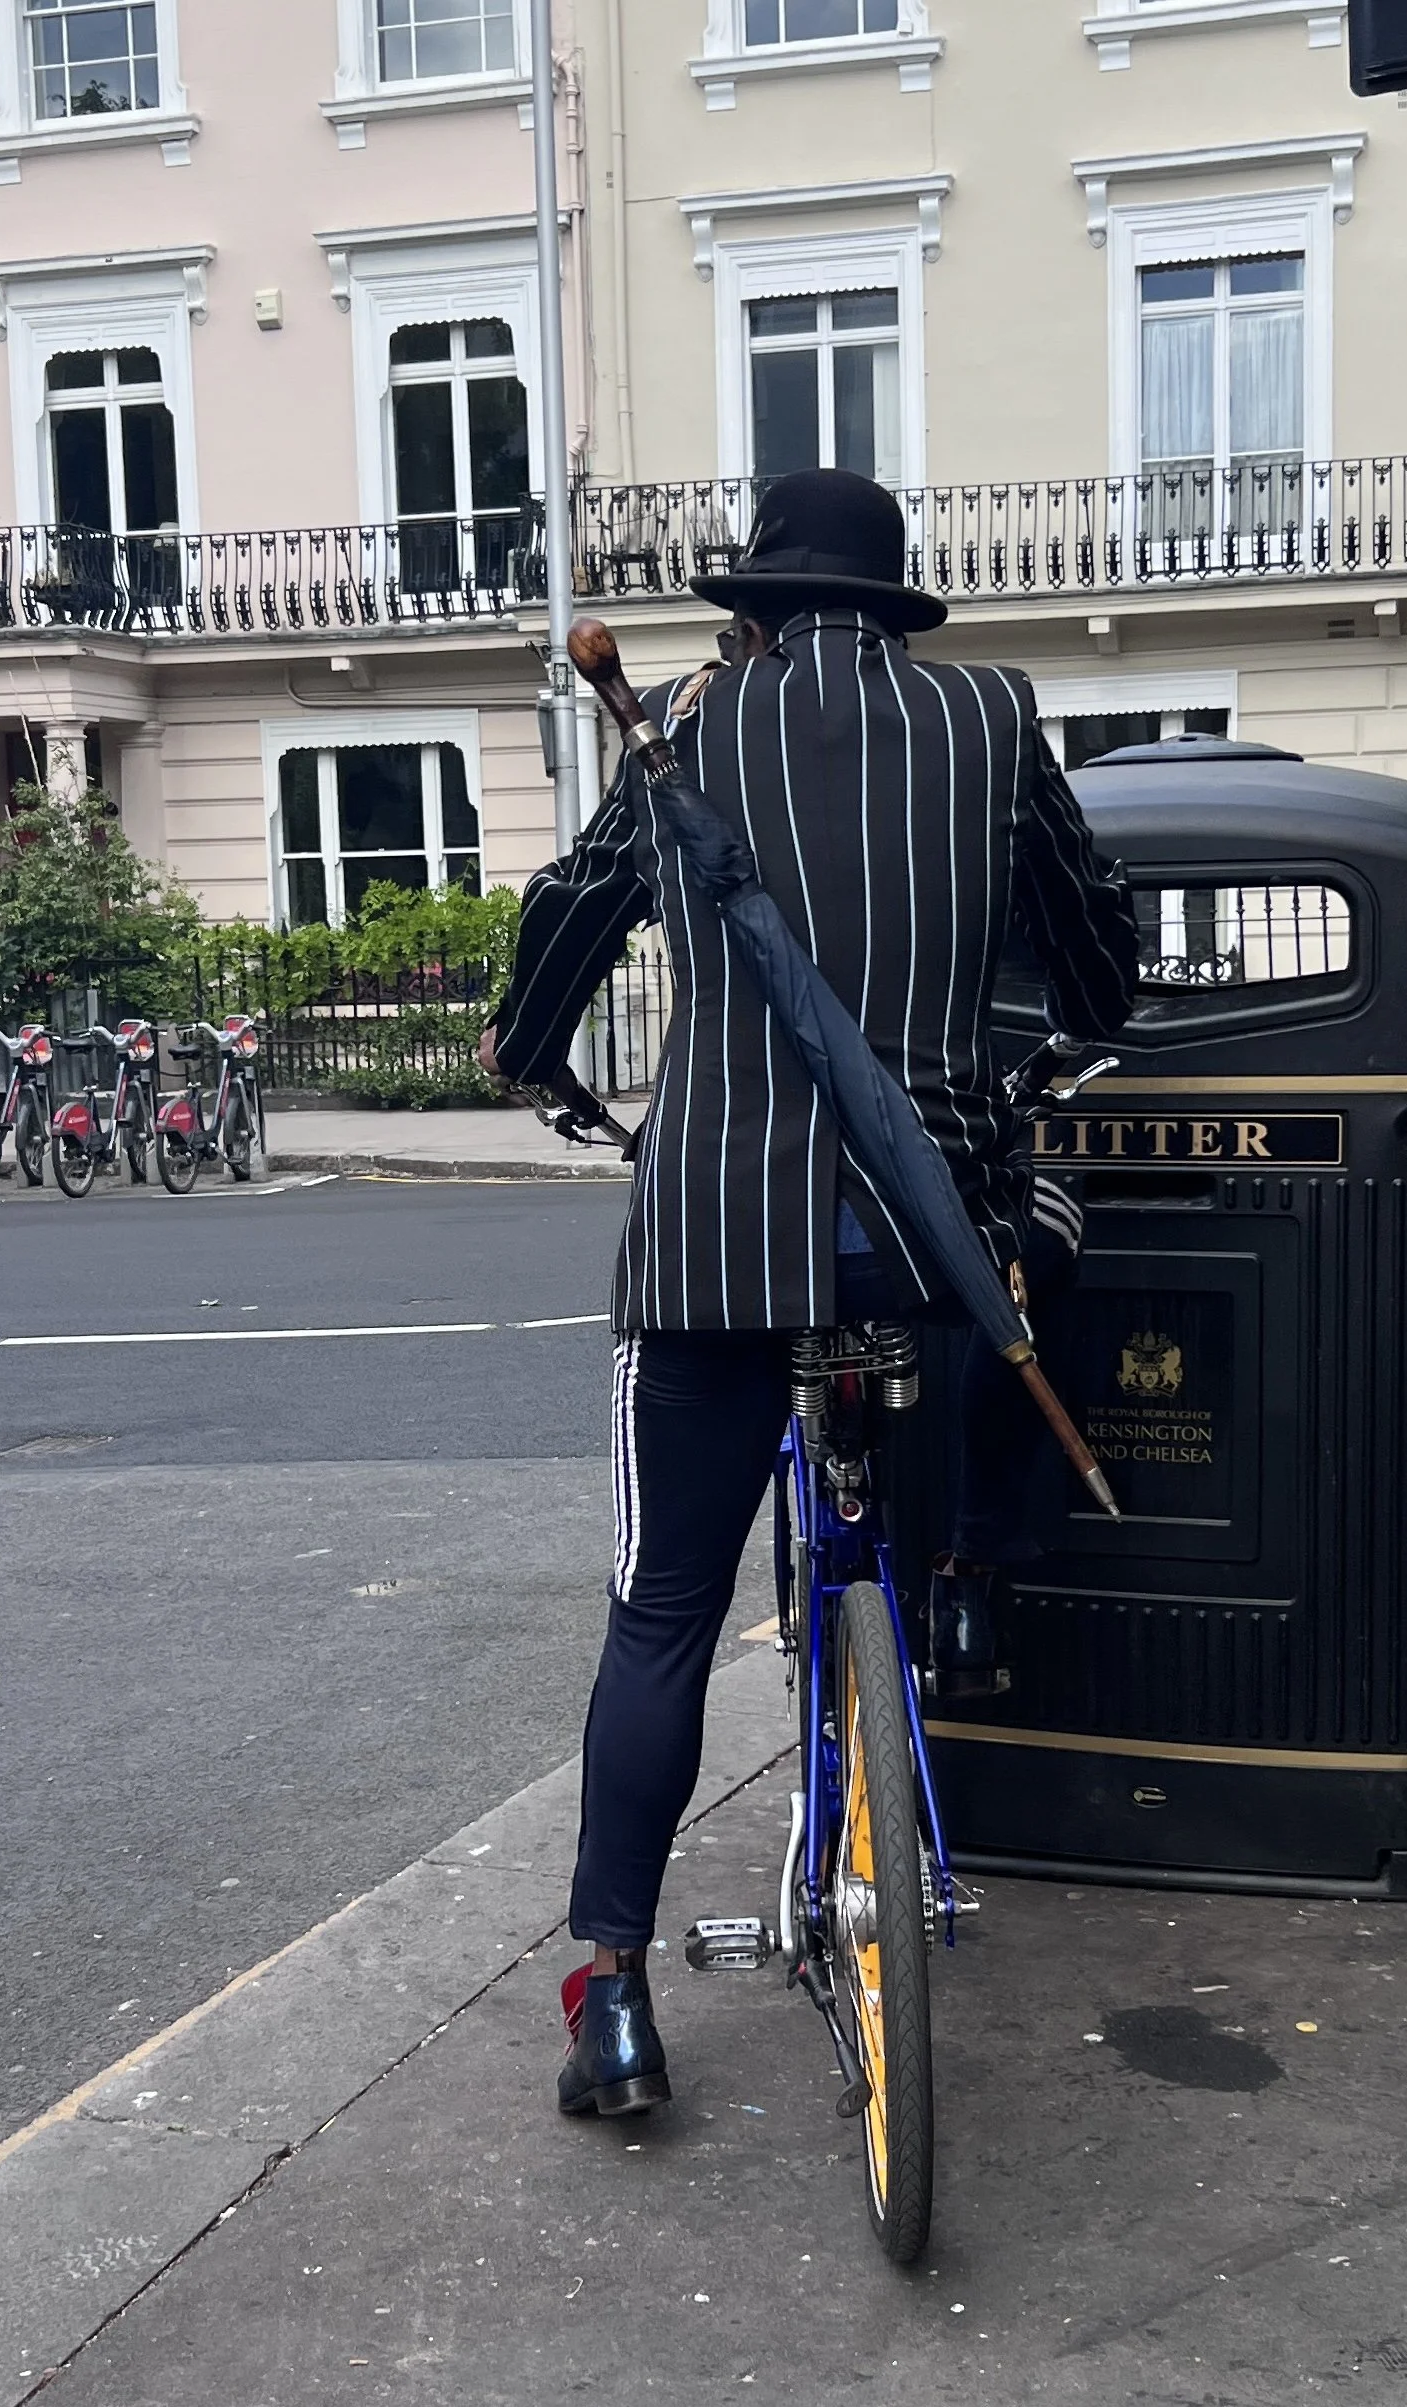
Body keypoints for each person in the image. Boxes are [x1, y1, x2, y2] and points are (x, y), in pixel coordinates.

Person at [482, 469, 1137, 2118]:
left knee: (662, 1612)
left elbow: (574, 914)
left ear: (752, 612)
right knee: (1024, 1263)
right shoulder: (992, 719)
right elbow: (1097, 953)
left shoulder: (690, 725)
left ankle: (615, 1995)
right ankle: (964, 1579)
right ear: (898, 610)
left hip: (714, 1241)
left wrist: (528, 1051)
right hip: (924, 1244)